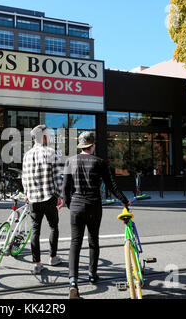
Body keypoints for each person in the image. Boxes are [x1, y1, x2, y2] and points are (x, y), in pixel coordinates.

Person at [62, 131, 130, 299]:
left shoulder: (70, 161)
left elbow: (65, 189)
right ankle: (92, 275)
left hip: (76, 206)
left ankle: (73, 283)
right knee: (93, 240)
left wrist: (71, 206)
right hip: (94, 206)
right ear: (92, 145)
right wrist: (124, 200)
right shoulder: (100, 162)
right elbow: (112, 185)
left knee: (75, 243)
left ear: (81, 146)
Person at [22, 124, 64, 274]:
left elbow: (24, 178)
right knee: (53, 227)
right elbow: (57, 178)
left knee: (35, 231)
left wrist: (26, 193)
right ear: (44, 137)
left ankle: (36, 264)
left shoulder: (26, 155)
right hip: (49, 197)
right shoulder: (51, 153)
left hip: (33, 199)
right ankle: (53, 257)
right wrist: (60, 196)